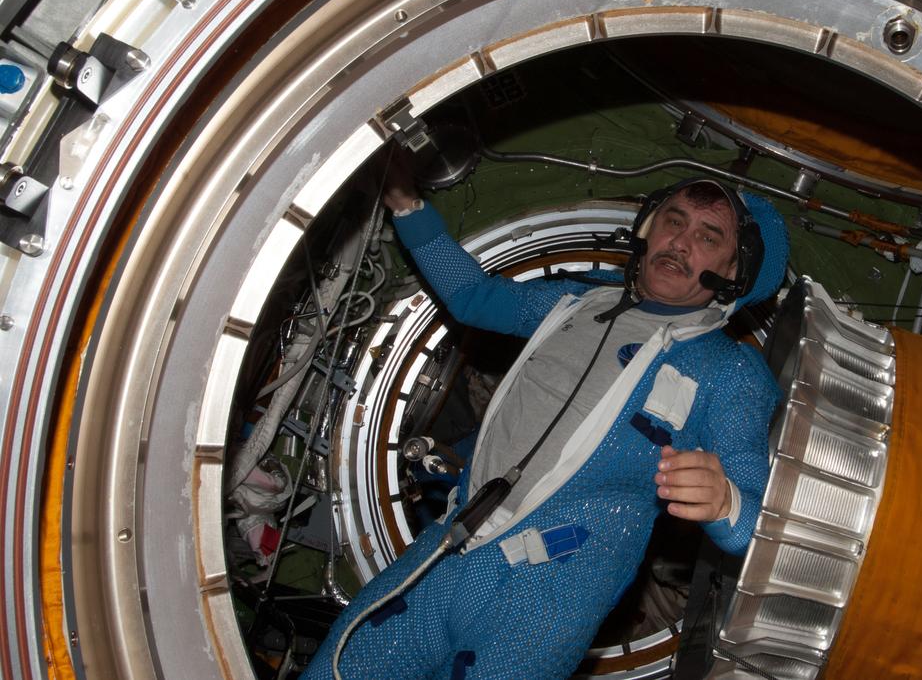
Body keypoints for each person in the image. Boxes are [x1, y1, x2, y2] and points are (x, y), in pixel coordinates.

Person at [303, 159, 789, 680]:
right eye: (673, 220)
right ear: (648, 229)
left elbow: (757, 531)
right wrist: (407, 206)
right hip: (442, 557)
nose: (680, 240)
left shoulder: (731, 372)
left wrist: (725, 501)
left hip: (543, 607)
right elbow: (474, 297)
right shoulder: (574, 303)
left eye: (708, 235)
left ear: (736, 272)